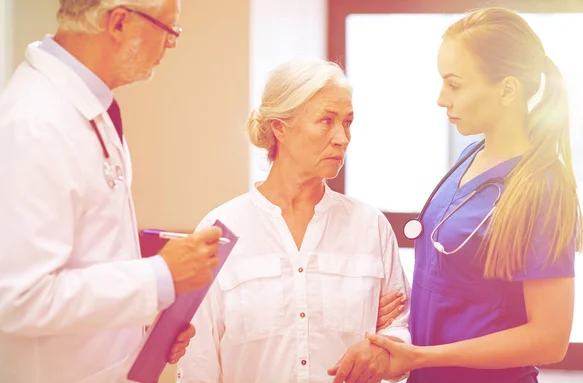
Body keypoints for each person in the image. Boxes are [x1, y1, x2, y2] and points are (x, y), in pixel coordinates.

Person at [349, 7, 583, 383]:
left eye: (454, 84)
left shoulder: (542, 189)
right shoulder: (470, 156)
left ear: (507, 89)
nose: (442, 99)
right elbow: (454, 284)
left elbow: (549, 340)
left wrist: (422, 357)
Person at [0, 1, 221, 382]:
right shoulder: (33, 122)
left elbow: (89, 258)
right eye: (169, 30)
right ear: (119, 22)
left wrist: (144, 323)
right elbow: (21, 299)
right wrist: (160, 277)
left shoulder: (91, 108)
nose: (171, 45)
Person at [178, 58, 411, 383]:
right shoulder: (220, 229)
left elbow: (400, 331)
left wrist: (385, 350)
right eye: (326, 121)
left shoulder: (370, 226)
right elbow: (197, 362)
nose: (342, 138)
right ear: (280, 127)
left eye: (347, 122)